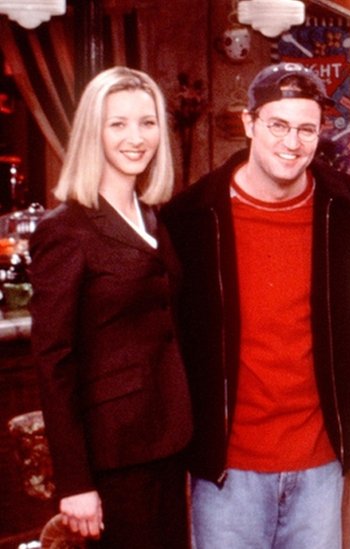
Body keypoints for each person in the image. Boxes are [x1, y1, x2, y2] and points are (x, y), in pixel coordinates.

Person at [160, 63, 350, 548]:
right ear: (249, 123)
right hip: (227, 471)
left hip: (320, 465)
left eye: (306, 129)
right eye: (278, 125)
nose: (292, 142)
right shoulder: (190, 218)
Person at [29, 66, 191, 548]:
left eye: (147, 122)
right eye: (117, 124)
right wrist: (75, 483)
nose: (136, 138)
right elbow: (54, 362)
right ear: (92, 132)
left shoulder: (153, 218)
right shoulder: (65, 229)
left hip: (169, 441)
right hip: (112, 457)